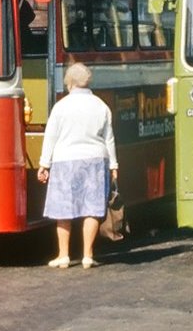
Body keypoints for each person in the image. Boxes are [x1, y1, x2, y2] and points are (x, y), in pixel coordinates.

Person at [36, 63, 118, 269]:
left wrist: (44, 164)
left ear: (69, 83)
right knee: (92, 209)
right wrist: (114, 165)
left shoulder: (61, 106)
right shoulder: (101, 105)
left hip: (65, 160)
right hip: (96, 160)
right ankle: (88, 256)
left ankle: (63, 256)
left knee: (63, 210)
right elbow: (109, 139)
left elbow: (51, 137)